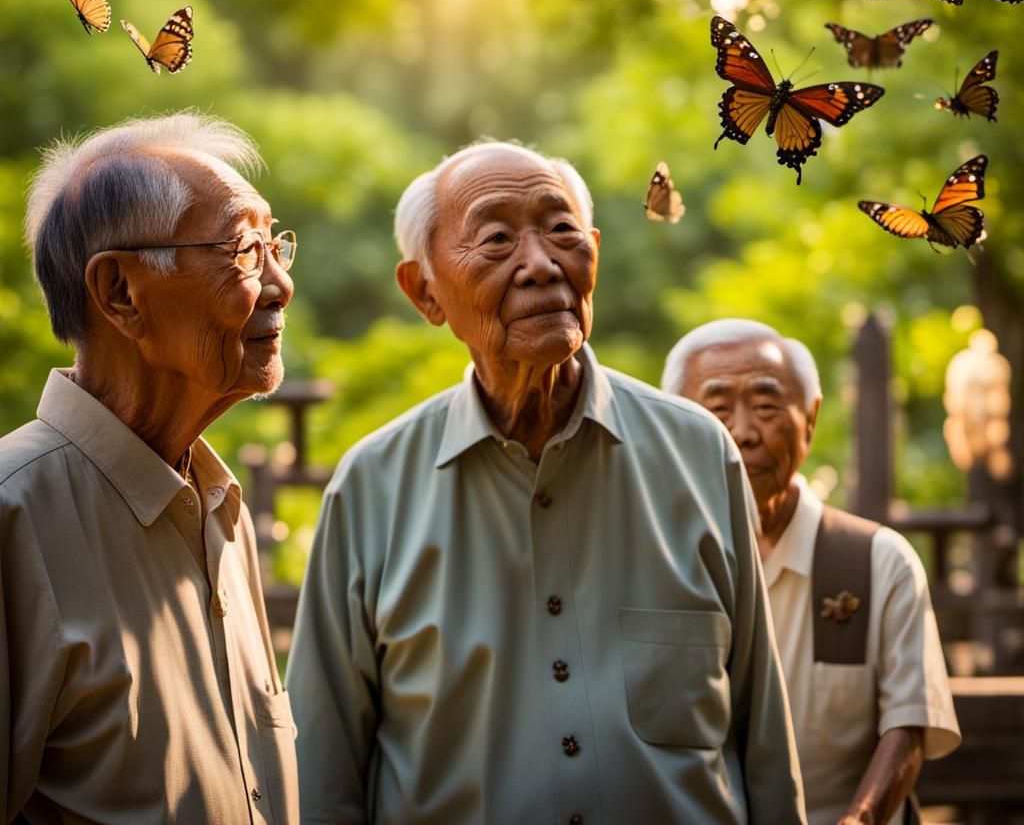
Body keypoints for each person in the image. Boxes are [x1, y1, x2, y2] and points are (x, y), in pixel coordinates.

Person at [287, 140, 805, 825]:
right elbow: (323, 775)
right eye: (496, 240)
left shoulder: (699, 453)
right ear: (425, 292)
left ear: (592, 251)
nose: (540, 265)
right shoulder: (372, 488)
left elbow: (763, 740)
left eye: (561, 232)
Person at [0, 113, 300, 823]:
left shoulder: (219, 508)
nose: (280, 284)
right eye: (243, 250)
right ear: (120, 295)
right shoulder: (14, 517)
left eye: (275, 244)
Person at [662, 319, 961, 825]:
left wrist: (859, 819)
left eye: (765, 407)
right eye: (716, 410)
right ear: (671, 426)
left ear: (811, 418)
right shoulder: (657, 557)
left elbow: (909, 725)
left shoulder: (877, 562)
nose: (743, 433)